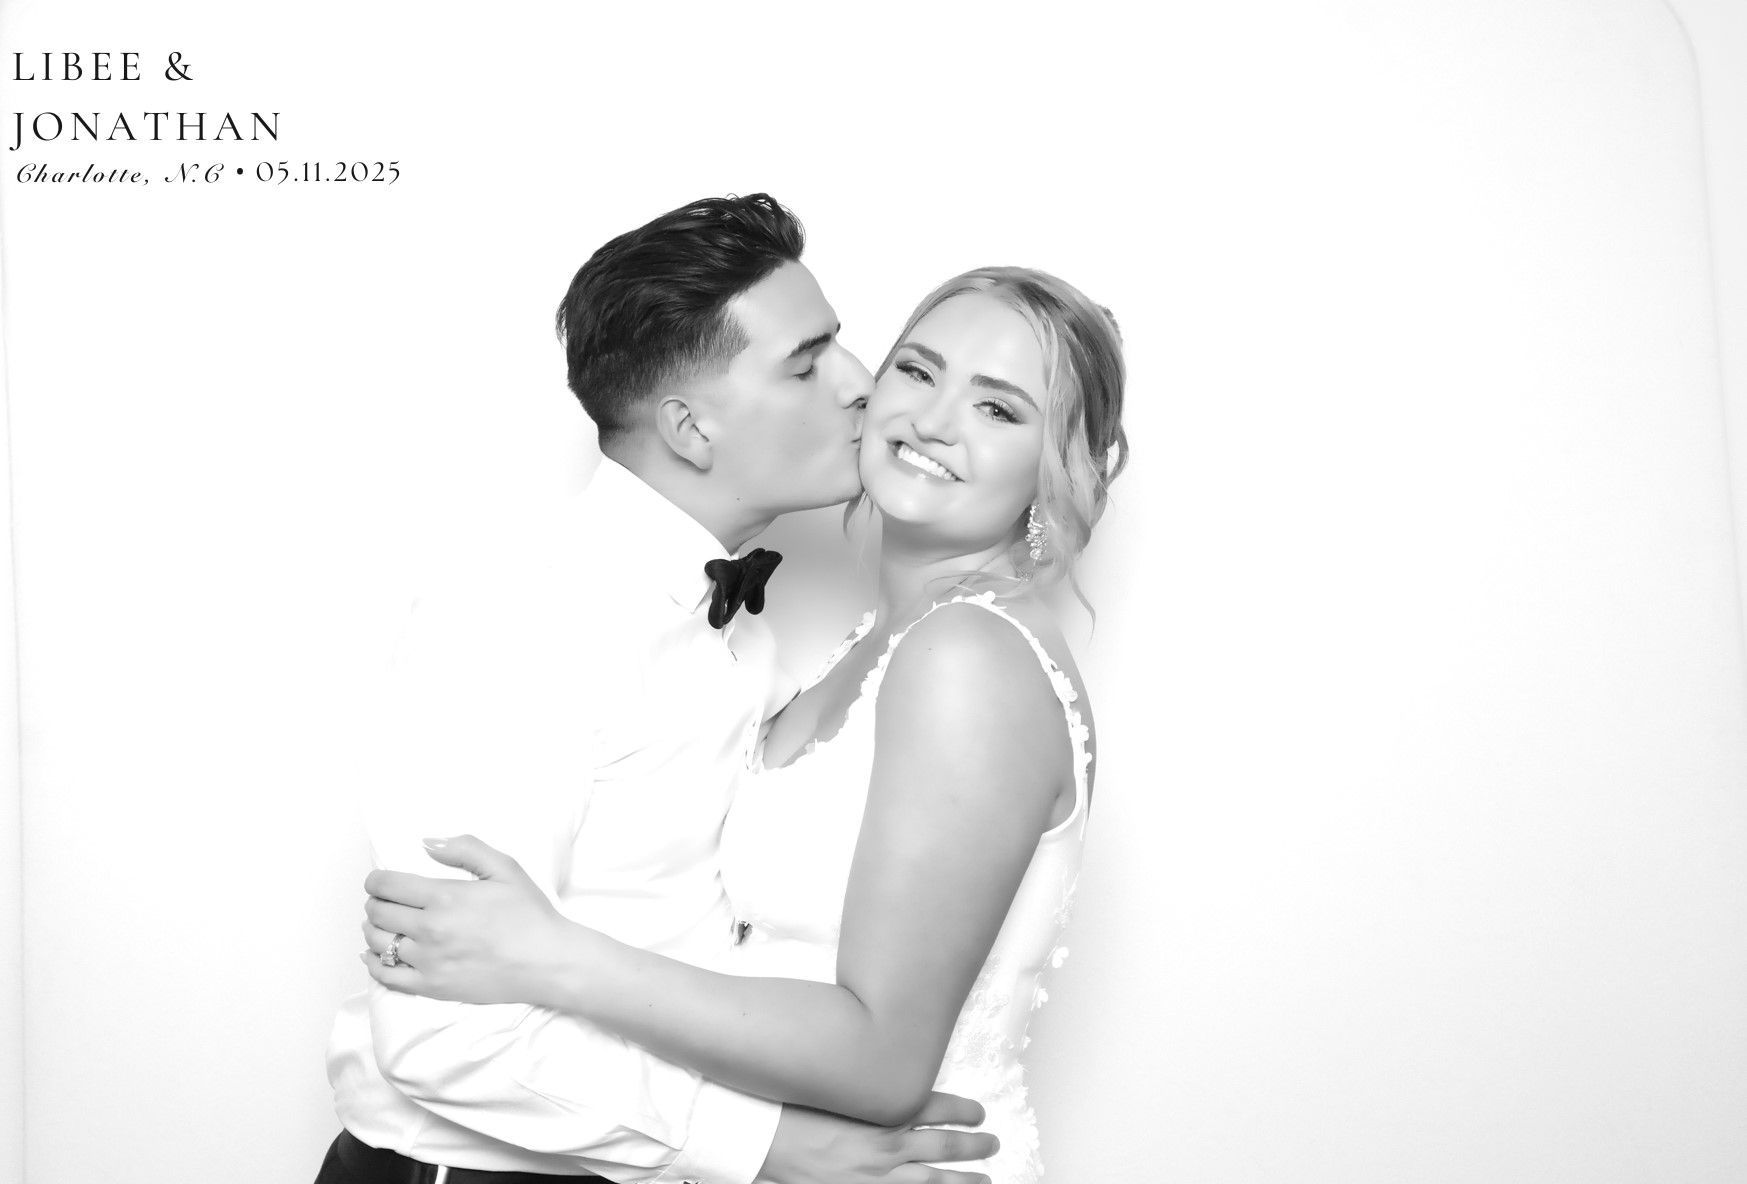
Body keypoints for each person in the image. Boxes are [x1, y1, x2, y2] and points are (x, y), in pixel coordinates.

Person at [360, 266, 1129, 1184]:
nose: (929, 419)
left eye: (997, 409)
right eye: (918, 370)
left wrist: (557, 958)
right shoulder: (836, 649)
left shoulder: (963, 657)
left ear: (1060, 464)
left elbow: (883, 1058)